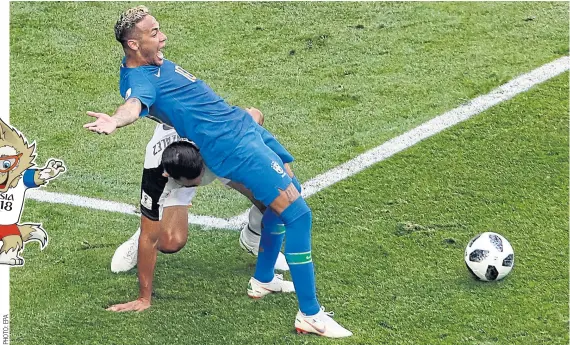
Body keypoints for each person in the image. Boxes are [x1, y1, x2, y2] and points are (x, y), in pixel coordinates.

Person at [84, 6, 351, 337]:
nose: (163, 36)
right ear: (133, 44)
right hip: (232, 147)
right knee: (298, 214)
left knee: (286, 190)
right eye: (154, 33)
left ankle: (263, 280)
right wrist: (116, 120)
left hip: (241, 126)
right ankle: (310, 314)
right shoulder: (139, 81)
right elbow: (134, 104)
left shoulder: (151, 63)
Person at [107, 122, 290, 313]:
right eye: (194, 183)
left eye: (200, 177)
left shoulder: (218, 140)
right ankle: (153, 224)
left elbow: (252, 115)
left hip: (215, 159)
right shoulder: (156, 174)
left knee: (274, 199)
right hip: (182, 173)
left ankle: (253, 238)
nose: (200, 184)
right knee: (170, 242)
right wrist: (144, 298)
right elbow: (149, 238)